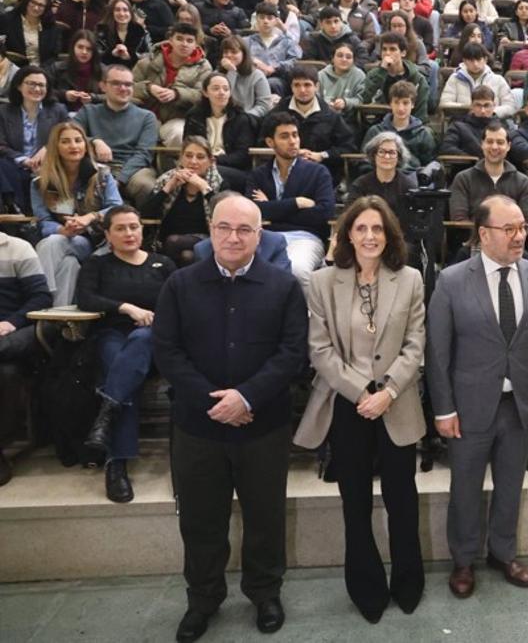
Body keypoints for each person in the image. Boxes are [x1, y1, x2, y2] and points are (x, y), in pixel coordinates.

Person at [153, 193, 308, 642]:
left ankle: (264, 592)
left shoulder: (283, 286)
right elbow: (167, 351)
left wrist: (247, 398)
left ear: (260, 235)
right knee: (201, 520)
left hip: (264, 426)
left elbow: (292, 353)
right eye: (224, 227)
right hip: (198, 427)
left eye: (245, 229)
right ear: (211, 230)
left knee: (265, 516)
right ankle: (203, 598)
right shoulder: (180, 285)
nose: (234, 237)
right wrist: (214, 401)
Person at [294, 197, 427, 622]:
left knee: (402, 498)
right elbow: (320, 350)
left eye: (378, 229)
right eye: (361, 228)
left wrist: (386, 391)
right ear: (347, 235)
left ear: (388, 236)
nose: (370, 236)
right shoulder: (321, 282)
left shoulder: (409, 279)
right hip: (346, 405)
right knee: (355, 500)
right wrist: (360, 392)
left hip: (396, 401)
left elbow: (415, 345)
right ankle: (366, 587)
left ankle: (409, 581)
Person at [425, 195, 528, 599]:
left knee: (510, 485)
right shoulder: (451, 280)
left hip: (519, 405)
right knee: (465, 488)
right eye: (509, 229)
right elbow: (438, 352)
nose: (519, 236)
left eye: (523, 228)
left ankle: (504, 553)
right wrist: (443, 408)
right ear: (483, 234)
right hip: (468, 408)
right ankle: (464, 560)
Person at [77, 206, 176, 502]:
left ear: (142, 230)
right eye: (120, 228)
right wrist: (125, 307)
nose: (129, 233)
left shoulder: (163, 263)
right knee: (119, 367)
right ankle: (116, 464)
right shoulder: (98, 265)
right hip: (113, 334)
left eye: (134, 226)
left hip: (157, 340)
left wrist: (159, 317)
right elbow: (85, 298)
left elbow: (183, 299)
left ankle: (106, 421)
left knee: (141, 340)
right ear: (107, 234)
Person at [31, 120, 123, 305]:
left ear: (85, 144)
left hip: (96, 242)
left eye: (78, 140)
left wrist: (90, 217)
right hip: (65, 237)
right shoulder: (41, 181)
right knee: (68, 265)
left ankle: (38, 299)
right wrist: (61, 230)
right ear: (55, 146)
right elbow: (43, 219)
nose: (73, 146)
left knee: (51, 244)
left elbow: (116, 208)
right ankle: (57, 319)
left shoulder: (102, 174)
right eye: (65, 141)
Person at [246, 113, 336, 294]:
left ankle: (305, 320)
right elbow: (252, 212)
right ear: (270, 142)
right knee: (249, 269)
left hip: (305, 237)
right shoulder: (258, 174)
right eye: (285, 136)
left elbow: (324, 212)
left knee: (296, 269)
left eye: (295, 135)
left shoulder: (318, 172)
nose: (293, 141)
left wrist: (271, 208)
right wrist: (296, 202)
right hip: (266, 236)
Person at [0, 228, 53, 486]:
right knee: (5, 372)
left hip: (15, 332)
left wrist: (10, 322)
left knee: (8, 373)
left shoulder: (17, 248)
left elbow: (41, 296)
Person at [142, 136, 223, 266]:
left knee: (174, 242)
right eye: (188, 156)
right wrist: (168, 187)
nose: (193, 161)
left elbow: (225, 213)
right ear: (180, 158)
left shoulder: (219, 183)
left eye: (200, 157)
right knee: (187, 256)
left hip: (207, 240)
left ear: (211, 161)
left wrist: (204, 188)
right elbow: (145, 213)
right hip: (166, 241)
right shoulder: (166, 179)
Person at [131, 23, 214, 148]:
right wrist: (149, 88)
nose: (184, 44)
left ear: (196, 44)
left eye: (189, 41)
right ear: (170, 40)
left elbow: (202, 95)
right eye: (179, 39)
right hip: (145, 115)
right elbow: (127, 87)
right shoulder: (147, 61)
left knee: (179, 133)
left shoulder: (204, 67)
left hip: (179, 118)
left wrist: (177, 94)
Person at [0, 66, 70, 213]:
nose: (36, 89)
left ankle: (61, 215)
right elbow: (1, 145)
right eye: (31, 84)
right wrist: (23, 159)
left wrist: (48, 148)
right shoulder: (4, 112)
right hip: (14, 166)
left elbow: (71, 135)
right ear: (19, 85)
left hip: (47, 165)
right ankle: (15, 208)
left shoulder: (58, 110)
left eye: (41, 85)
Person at [270, 65, 356, 184]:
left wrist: (322, 155)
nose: (302, 90)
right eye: (297, 85)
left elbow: (348, 146)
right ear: (291, 87)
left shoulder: (331, 116)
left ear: (316, 86)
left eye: (307, 85)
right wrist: (292, 152)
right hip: (282, 174)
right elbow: (264, 142)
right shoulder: (277, 114)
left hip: (322, 174)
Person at [448, 121, 528, 223]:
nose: (494, 147)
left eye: (500, 142)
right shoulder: (463, 179)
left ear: (508, 146)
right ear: (482, 144)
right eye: (489, 142)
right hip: (474, 238)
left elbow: (526, 223)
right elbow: (459, 220)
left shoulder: (523, 182)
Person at [362, 81, 438, 169]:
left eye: (405, 103)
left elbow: (429, 167)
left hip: (412, 179)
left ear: (412, 105)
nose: (401, 108)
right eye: (396, 102)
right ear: (390, 104)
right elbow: (365, 163)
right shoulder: (375, 132)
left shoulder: (423, 134)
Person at [346, 132, 418, 212]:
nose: (387, 157)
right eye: (381, 152)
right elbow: (350, 216)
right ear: (374, 155)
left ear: (399, 157)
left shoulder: (408, 187)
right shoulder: (360, 185)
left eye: (392, 153)